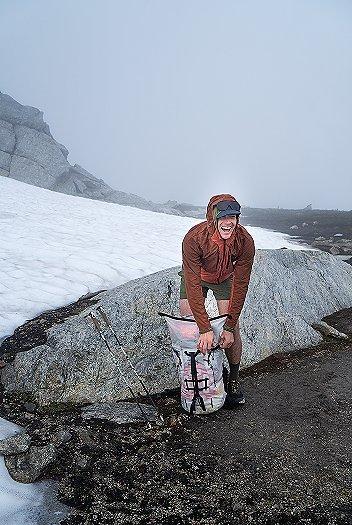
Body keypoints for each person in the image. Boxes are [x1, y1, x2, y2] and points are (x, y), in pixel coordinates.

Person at [179, 193, 255, 404]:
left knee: (233, 328)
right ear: (212, 218)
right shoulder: (194, 238)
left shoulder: (244, 241)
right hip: (198, 277)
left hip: (224, 279)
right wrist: (203, 328)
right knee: (188, 325)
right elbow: (192, 284)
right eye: (223, 217)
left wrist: (229, 327)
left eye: (233, 217)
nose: (228, 222)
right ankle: (199, 375)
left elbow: (240, 284)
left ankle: (233, 379)